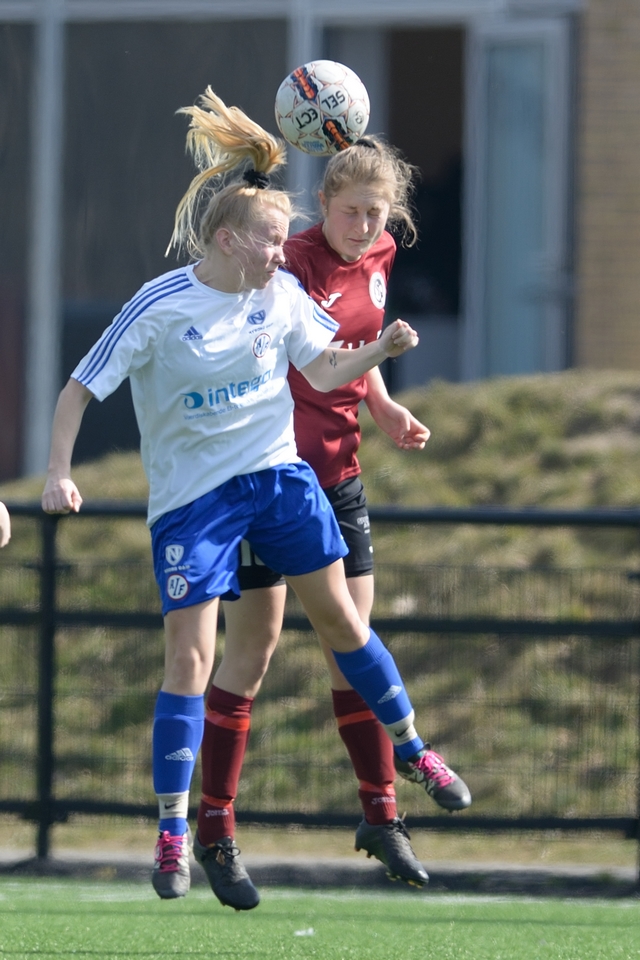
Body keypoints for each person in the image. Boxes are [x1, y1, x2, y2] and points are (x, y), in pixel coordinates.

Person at [41, 87, 428, 908]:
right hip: (209, 495)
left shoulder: (317, 278)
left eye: (376, 213)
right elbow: (81, 386)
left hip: (302, 478)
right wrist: (58, 471)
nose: (286, 251)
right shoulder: (209, 291)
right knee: (218, 656)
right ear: (233, 239)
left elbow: (332, 360)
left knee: (346, 629)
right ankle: (192, 831)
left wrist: (382, 377)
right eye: (273, 238)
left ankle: (397, 781)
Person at [196, 136, 472, 902]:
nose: (362, 226)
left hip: (341, 477)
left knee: (351, 644)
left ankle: (382, 817)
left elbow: (352, 344)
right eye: (350, 212)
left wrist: (382, 405)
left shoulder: (380, 254)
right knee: (250, 653)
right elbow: (299, 354)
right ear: (323, 204)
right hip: (272, 479)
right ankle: (215, 827)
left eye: (375, 214)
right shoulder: (290, 262)